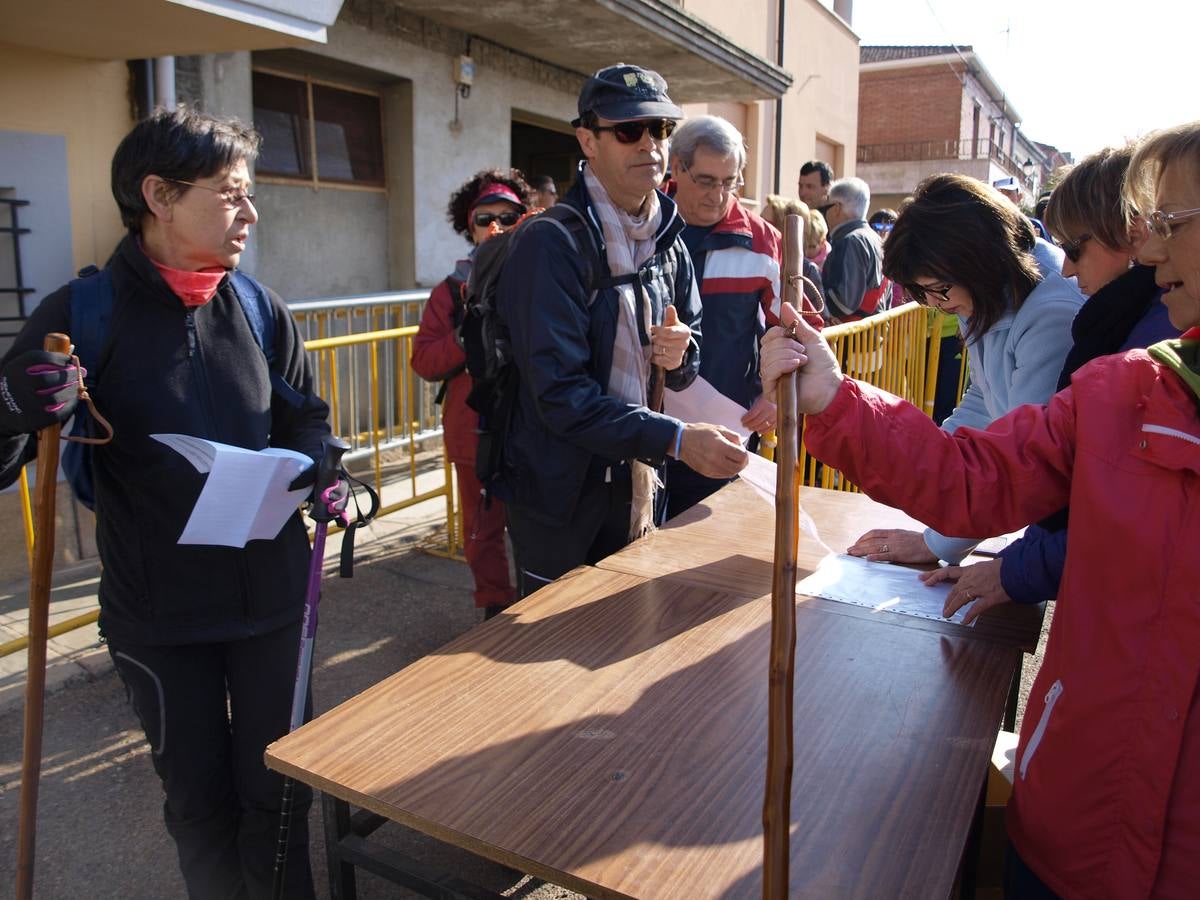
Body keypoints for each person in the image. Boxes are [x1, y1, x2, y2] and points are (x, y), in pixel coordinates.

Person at [759, 118, 1200, 900]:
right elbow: (985, 465)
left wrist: (987, 555)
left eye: (1167, 225)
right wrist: (833, 396)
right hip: (1080, 818)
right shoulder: (1130, 387)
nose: (1150, 253)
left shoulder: (1064, 329)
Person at [0, 109, 340, 898]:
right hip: (159, 619)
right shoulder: (80, 315)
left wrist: (325, 471)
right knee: (199, 805)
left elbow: (307, 420)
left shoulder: (259, 308)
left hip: (274, 606)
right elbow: (9, 445)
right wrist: (13, 408)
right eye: (230, 195)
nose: (250, 214)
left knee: (281, 794)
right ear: (158, 195)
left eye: (248, 195)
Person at [494, 63, 748, 597]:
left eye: (659, 130)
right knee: (552, 655)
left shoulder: (668, 238)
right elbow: (559, 395)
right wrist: (676, 439)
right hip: (560, 494)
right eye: (629, 131)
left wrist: (681, 355)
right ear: (588, 139)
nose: (649, 145)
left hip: (638, 480)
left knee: (628, 631)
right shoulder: (550, 243)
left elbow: (687, 360)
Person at [917, 145, 1178, 612]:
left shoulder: (1083, 323)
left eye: (1077, 248)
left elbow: (1049, 475)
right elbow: (986, 402)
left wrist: (973, 553)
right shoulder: (1117, 319)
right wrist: (930, 474)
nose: (1069, 266)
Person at [847, 173, 1083, 566]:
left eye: (940, 290)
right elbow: (985, 397)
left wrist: (937, 542)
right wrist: (932, 474)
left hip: (1066, 526)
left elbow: (1023, 460)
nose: (937, 304)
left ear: (978, 259)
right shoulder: (982, 289)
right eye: (925, 294)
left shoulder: (1052, 313)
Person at [662, 117, 815, 518]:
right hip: (643, 427)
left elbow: (801, 327)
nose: (720, 196)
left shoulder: (763, 241)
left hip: (724, 429)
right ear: (676, 167)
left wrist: (777, 391)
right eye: (707, 181)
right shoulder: (643, 224)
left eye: (731, 182)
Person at [412, 170, 526, 617]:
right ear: (469, 225)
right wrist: (466, 335)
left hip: (534, 423)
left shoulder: (544, 279)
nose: (496, 226)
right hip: (473, 430)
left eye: (509, 216)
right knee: (483, 528)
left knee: (540, 523)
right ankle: (494, 608)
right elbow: (424, 361)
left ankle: (541, 601)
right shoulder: (449, 291)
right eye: (485, 218)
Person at [820, 176, 888, 322]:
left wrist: (813, 290)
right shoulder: (875, 238)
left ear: (837, 208)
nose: (825, 214)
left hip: (851, 337)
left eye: (827, 208)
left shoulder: (850, 241)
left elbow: (843, 303)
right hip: (871, 334)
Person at [760, 194, 827, 314]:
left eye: (766, 224)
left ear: (782, 227)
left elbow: (819, 317)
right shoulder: (759, 262)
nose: (759, 227)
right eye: (759, 220)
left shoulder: (806, 270)